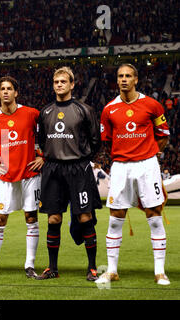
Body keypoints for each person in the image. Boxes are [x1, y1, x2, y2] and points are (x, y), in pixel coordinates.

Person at [96, 64, 171, 286]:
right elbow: (107, 140)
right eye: (120, 76)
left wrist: (149, 154)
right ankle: (112, 271)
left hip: (147, 166)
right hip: (120, 166)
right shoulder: (109, 109)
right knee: (115, 217)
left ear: (136, 79)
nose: (124, 79)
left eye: (128, 76)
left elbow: (163, 134)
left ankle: (160, 272)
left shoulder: (152, 105)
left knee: (154, 214)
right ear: (117, 80)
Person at [0, 76, 43, 278]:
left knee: (31, 218)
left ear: (16, 92)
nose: (6, 92)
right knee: (0, 218)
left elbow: (49, 135)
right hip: (6, 177)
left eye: (9, 88)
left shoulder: (31, 114)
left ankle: (29, 265)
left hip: (30, 175)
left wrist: (44, 157)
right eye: (2, 89)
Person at [36, 66, 102, 281]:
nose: (59, 85)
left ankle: (92, 267)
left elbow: (95, 142)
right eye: (56, 82)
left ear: (72, 84)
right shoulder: (45, 112)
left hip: (78, 169)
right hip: (53, 169)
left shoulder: (85, 110)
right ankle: (52, 268)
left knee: (85, 217)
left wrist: (80, 158)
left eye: (64, 81)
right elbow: (42, 142)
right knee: (53, 219)